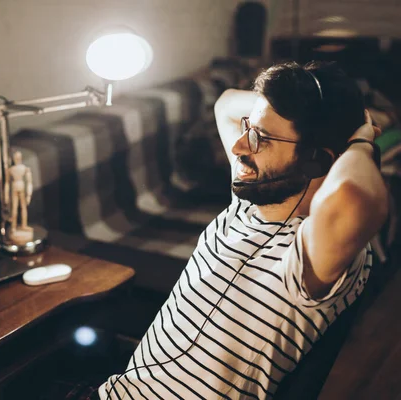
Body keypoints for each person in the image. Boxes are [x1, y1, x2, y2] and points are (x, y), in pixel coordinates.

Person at [96, 61, 389, 399]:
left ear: (316, 161)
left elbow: (357, 198)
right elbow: (225, 104)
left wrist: (361, 141)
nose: (239, 147)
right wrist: (276, 105)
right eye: (248, 128)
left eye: (260, 138)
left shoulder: (308, 254)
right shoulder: (252, 198)